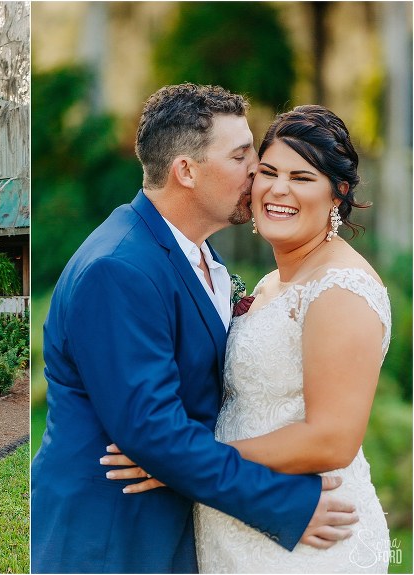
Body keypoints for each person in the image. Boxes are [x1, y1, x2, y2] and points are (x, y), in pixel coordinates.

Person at [30, 84, 359, 574]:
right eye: (242, 155)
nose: (258, 170)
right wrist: (286, 503)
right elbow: (154, 434)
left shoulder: (195, 253)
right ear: (187, 170)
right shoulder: (118, 268)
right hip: (112, 540)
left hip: (177, 531)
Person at [104, 105, 391, 572]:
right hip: (237, 528)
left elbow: (331, 439)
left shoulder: (341, 289)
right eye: (269, 172)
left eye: (302, 177)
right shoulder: (270, 285)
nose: (279, 189)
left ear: (338, 193)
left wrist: (183, 462)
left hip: (307, 537)